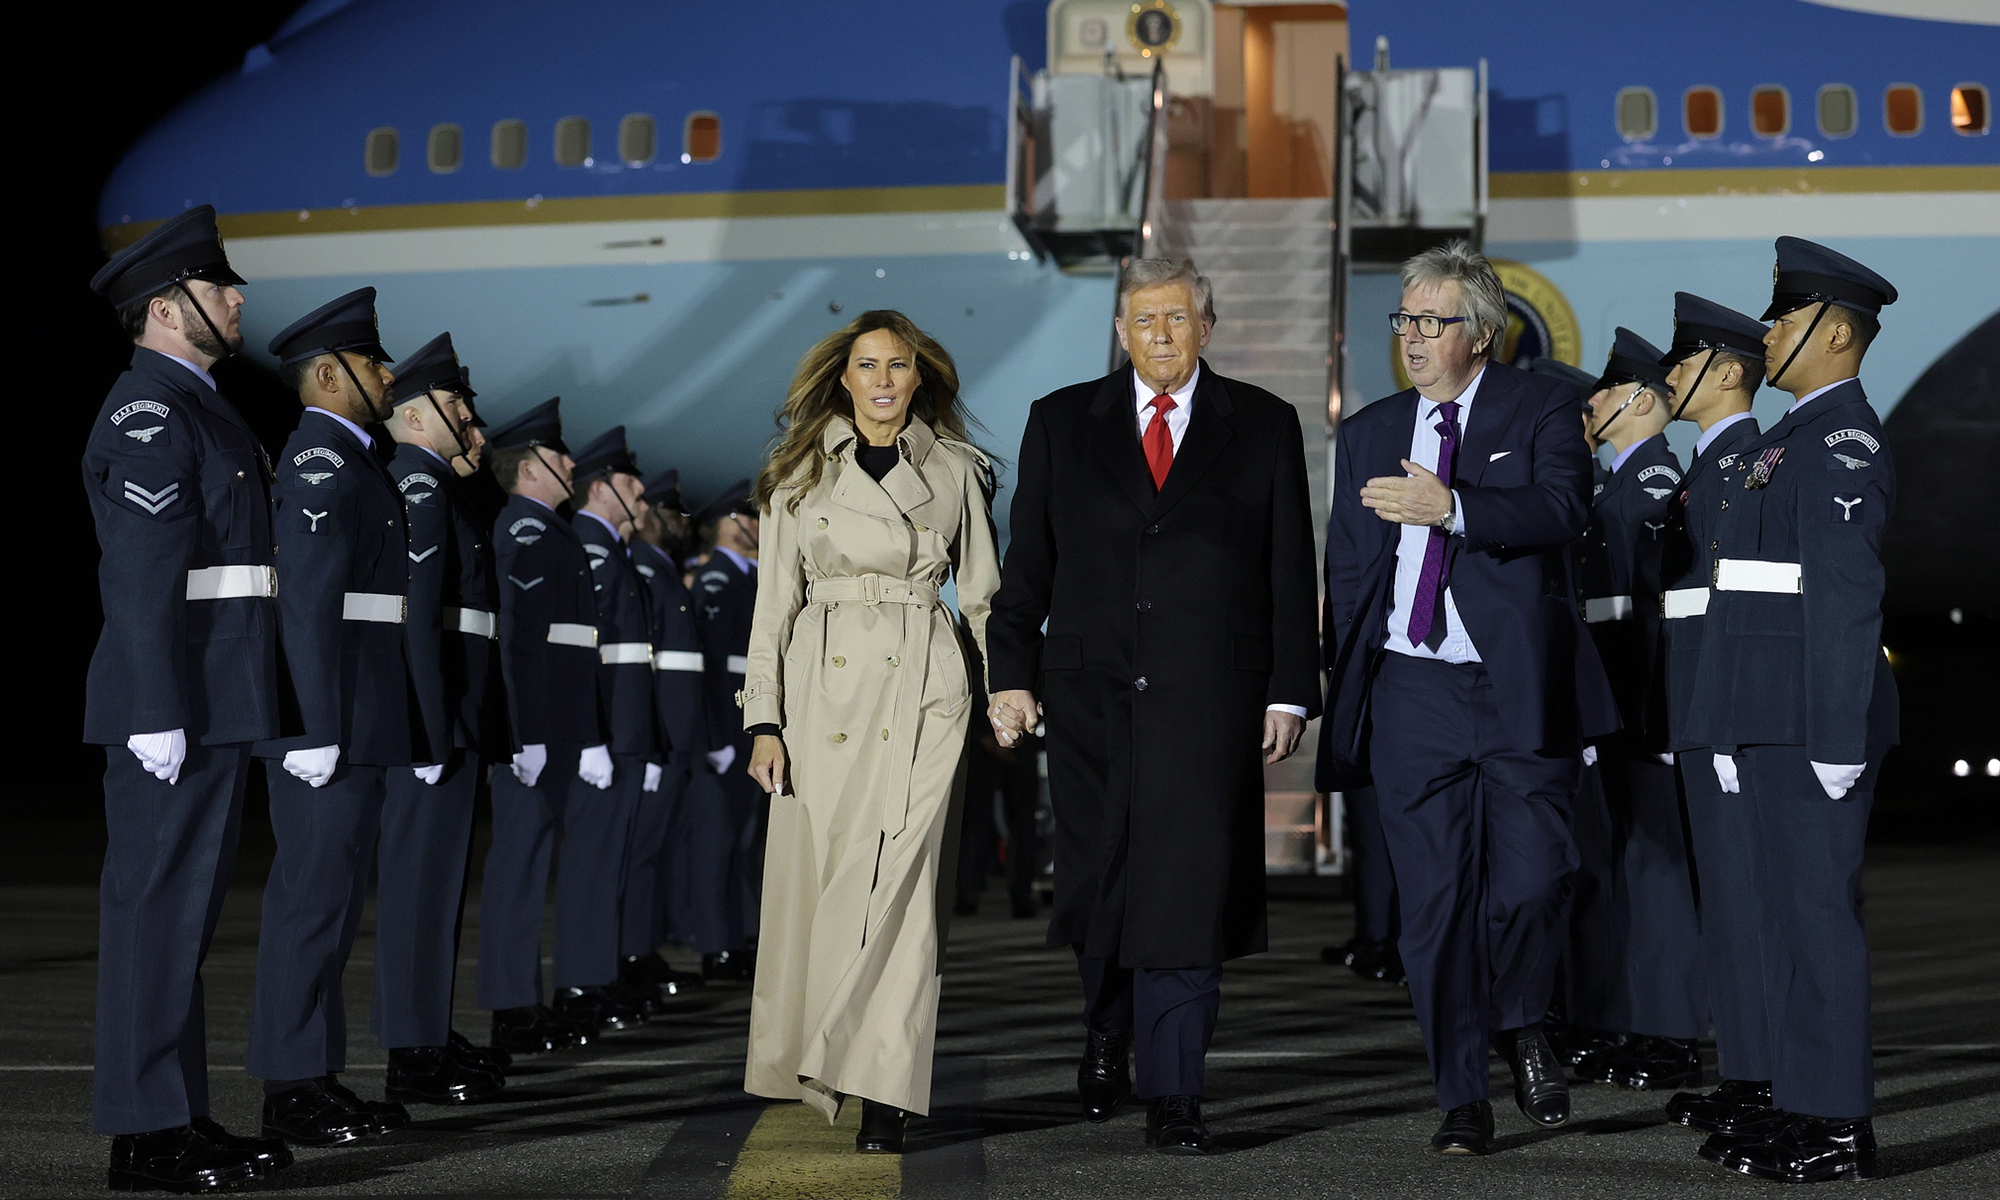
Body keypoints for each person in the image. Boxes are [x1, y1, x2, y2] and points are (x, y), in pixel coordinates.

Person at [988, 259, 1320, 1156]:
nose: (1162, 335)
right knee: (1100, 882)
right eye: (1144, 320)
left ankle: (1177, 1088)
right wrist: (1008, 671)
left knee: (1185, 887)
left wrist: (1291, 688)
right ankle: (1107, 1024)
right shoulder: (1061, 422)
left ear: (1207, 327)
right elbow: (1030, 567)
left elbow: (1290, 567)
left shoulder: (1263, 424)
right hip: (1090, 698)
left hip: (1209, 700)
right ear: (1122, 332)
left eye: (1178, 317)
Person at [1317, 241, 1616, 1156]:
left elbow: (1565, 509)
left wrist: (1454, 508)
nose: (1411, 337)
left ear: (1481, 334)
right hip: (1413, 690)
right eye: (1404, 319)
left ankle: (1523, 1020)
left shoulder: (1543, 407)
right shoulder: (1368, 431)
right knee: (1435, 905)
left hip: (1514, 685)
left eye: (1432, 321)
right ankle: (1461, 1097)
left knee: (1534, 881)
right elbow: (1350, 566)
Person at [737, 309, 1002, 1154]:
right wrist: (765, 720)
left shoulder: (961, 471)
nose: (883, 379)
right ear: (842, 378)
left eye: (897, 365)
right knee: (830, 882)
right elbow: (771, 607)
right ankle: (830, 1057)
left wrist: (1008, 692)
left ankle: (883, 1086)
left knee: (908, 889)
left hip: (927, 684)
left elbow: (985, 595)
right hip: (824, 694)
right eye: (866, 365)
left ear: (919, 377)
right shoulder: (796, 475)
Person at [84, 205, 295, 1191]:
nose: (237, 296)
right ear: (169, 307)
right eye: (218, 286)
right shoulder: (149, 412)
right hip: (176, 702)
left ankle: (178, 1114)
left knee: (183, 917)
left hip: (218, 695)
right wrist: (152, 707)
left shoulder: (203, 406)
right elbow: (140, 572)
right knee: (153, 913)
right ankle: (144, 1133)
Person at [1682, 239, 1899, 1184]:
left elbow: (1846, 598)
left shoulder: (1844, 438)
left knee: (1817, 922)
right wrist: (1729, 725)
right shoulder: (1787, 440)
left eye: (1785, 317)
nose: (1767, 332)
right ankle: (1804, 1104)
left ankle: (1842, 1126)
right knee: (1783, 918)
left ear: (1837, 331)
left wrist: (1840, 737)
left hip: (1814, 724)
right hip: (1768, 718)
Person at [247, 288, 415, 1147]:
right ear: (327, 374)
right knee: (310, 902)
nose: (388, 375)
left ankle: (315, 1076)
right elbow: (307, 604)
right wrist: (312, 728)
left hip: (359, 711)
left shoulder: (353, 458)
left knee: (337, 903)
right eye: (372, 362)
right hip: (330, 720)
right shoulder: (320, 460)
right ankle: (290, 1085)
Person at [1568, 330, 1708, 1093]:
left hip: (1644, 714)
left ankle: (1672, 1034)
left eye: (1604, 391)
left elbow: (1657, 623)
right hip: (1616, 711)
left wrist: (1654, 723)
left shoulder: (1653, 487)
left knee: (1657, 877)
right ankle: (1638, 1021)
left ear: (1640, 400)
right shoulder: (1617, 487)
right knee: (1627, 869)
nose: (1589, 404)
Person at [1649, 293, 1770, 1145]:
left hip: (1722, 711)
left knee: (1746, 902)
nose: (1670, 376)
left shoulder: (1746, 466)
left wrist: (1722, 721)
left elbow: (1747, 615)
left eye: (1685, 362)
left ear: (1728, 373)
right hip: (1694, 709)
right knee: (1724, 904)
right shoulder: (1707, 468)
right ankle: (1749, 1071)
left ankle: (1764, 1077)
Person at [377, 332, 509, 1105]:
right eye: (459, 405)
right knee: (418, 887)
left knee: (438, 888)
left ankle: (426, 1032)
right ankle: (409, 1047)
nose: (472, 422)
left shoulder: (441, 486)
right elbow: (418, 619)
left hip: (453, 717)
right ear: (421, 414)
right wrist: (426, 727)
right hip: (432, 723)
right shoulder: (417, 485)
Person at [476, 397, 619, 1053]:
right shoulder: (526, 530)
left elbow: (571, 650)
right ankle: (511, 1005)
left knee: (534, 865)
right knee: (519, 867)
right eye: (560, 455)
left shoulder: (547, 530)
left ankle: (524, 1001)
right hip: (534, 732)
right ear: (531, 467)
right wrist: (526, 733)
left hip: (557, 729)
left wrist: (582, 732)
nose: (571, 464)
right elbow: (521, 643)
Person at [566, 426, 668, 1021]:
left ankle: (598, 975)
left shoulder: (612, 549)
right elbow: (586, 658)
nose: (643, 497)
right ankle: (582, 983)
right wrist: (592, 737)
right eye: (632, 484)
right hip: (607, 734)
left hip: (627, 733)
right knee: (592, 864)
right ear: (602, 488)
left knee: (610, 864)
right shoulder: (591, 546)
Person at [630, 472, 724, 993]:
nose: (685, 522)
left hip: (678, 737)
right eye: (674, 512)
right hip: (660, 738)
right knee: (640, 855)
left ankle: (641, 955)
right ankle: (630, 957)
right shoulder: (645, 567)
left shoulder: (662, 569)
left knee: (655, 854)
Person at [691, 481, 762, 981]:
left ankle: (742, 934)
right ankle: (717, 942)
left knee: (747, 838)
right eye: (751, 518)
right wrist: (715, 736)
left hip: (750, 722)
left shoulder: (750, 577)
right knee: (719, 842)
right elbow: (713, 667)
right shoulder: (717, 579)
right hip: (729, 724)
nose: (760, 526)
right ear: (728, 524)